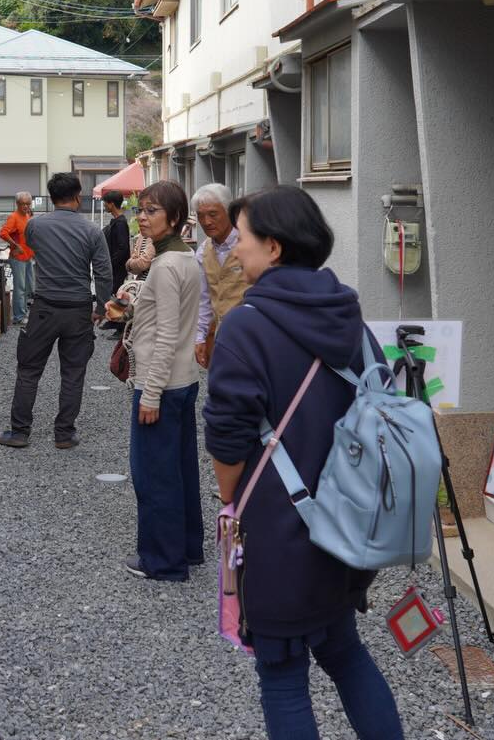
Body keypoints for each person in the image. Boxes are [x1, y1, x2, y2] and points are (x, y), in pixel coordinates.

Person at [202, 187, 404, 740]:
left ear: (273, 247)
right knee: (345, 653)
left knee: (283, 674)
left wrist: (229, 499)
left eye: (240, 239)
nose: (233, 250)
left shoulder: (246, 326)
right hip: (347, 528)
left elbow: (226, 440)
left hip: (278, 530)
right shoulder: (350, 318)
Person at [121, 180, 204, 581]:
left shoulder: (168, 265)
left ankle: (163, 561)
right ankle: (188, 548)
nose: (142, 217)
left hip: (162, 385)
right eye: (141, 209)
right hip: (183, 381)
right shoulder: (184, 258)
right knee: (182, 469)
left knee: (155, 474)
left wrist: (149, 394)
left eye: (152, 210)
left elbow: (168, 333)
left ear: (174, 218)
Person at [0, 172, 112, 451]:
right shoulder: (92, 231)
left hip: (44, 307)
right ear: (77, 196)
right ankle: (64, 433)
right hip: (78, 309)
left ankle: (20, 431)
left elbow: (33, 248)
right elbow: (104, 273)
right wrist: (100, 307)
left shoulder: (36, 226)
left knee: (29, 369)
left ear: (51, 197)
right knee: (73, 372)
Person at [191, 183, 248, 369]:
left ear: (229, 211)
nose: (206, 221)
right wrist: (199, 337)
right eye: (200, 215)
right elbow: (204, 299)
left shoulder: (249, 243)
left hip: (250, 336)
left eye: (213, 214)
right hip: (219, 339)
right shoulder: (203, 251)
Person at [0, 192, 36, 325]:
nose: (25, 206)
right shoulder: (13, 217)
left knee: (28, 287)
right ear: (17, 204)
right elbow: (3, 233)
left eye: (28, 203)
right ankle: (19, 317)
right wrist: (15, 245)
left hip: (28, 256)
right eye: (23, 204)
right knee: (20, 288)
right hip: (18, 257)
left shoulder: (27, 215)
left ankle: (23, 312)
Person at [100, 190, 132, 338]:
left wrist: (110, 263)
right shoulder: (118, 221)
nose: (104, 205)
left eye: (105, 203)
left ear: (111, 204)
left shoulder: (120, 223)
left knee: (118, 296)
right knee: (114, 294)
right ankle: (113, 321)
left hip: (117, 266)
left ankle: (121, 328)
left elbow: (123, 247)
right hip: (116, 265)